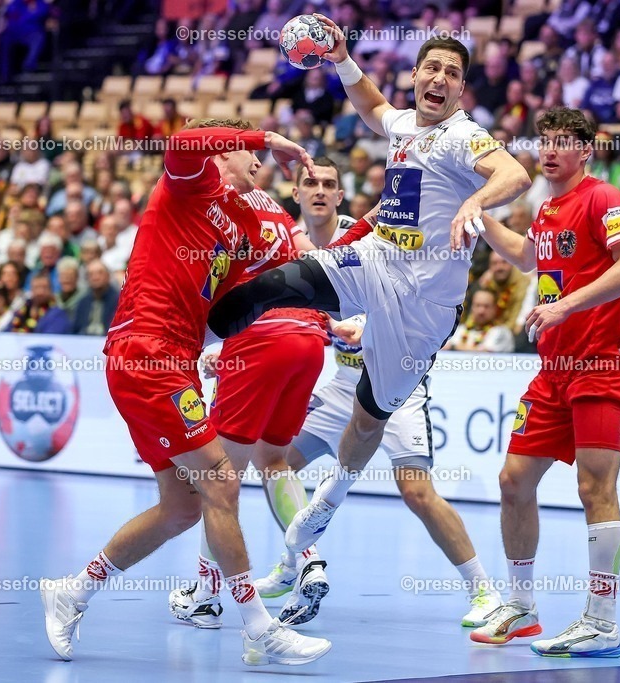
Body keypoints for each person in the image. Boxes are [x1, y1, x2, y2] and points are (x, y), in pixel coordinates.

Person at [206, 31, 530, 559]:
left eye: (452, 72)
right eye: (432, 68)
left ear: (462, 89)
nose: (439, 78)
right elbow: (373, 105)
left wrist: (476, 202)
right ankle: (184, 347)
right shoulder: (404, 123)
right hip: (373, 263)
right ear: (416, 76)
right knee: (270, 287)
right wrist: (341, 58)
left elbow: (514, 174)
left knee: (367, 419)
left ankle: (331, 499)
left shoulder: (462, 135)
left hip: (423, 308)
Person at [39, 119, 333, 667]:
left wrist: (360, 245)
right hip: (146, 352)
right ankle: (258, 627)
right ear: (226, 151)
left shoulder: (244, 220)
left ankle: (73, 591)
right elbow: (181, 143)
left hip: (178, 362)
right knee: (222, 478)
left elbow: (288, 274)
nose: (260, 166)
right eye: (249, 155)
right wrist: (267, 137)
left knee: (181, 508)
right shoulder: (187, 182)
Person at [256, 166, 505, 626]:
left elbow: (403, 295)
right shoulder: (290, 244)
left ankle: (484, 592)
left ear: (341, 197)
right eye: (311, 184)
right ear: (295, 193)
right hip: (343, 385)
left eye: (330, 185)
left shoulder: (367, 233)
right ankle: (294, 564)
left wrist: (361, 327)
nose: (320, 192)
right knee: (277, 462)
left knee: (416, 491)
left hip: (397, 383)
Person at [468, 107, 620, 656]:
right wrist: (476, 215)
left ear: (585, 151)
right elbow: (526, 256)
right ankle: (521, 607)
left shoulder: (601, 199)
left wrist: (566, 307)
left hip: (598, 365)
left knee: (595, 489)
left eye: (563, 142)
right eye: (544, 141)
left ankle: (602, 619)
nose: (549, 150)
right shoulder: (546, 209)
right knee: (513, 482)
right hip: (553, 371)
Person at [167, 159, 357, 630]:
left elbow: (211, 289)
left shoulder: (224, 214)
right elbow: (309, 279)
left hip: (258, 341)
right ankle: (308, 557)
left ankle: (207, 596)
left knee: (218, 476)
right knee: (274, 461)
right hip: (309, 345)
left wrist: (211, 344)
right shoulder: (282, 221)